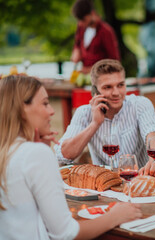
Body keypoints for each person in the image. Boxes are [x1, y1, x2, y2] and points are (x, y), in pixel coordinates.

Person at [0, 75, 142, 239]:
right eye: (45, 103)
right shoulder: (35, 154)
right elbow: (66, 234)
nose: (51, 111)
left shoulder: (10, 152)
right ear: (22, 109)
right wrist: (116, 216)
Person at [54, 59, 155, 176]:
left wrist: (154, 160)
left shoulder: (140, 104)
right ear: (95, 91)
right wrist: (94, 124)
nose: (116, 92)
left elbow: (152, 133)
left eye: (120, 85)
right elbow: (63, 156)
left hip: (139, 180)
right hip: (104, 185)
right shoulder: (84, 113)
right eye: (108, 87)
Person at [71, 0, 120, 74]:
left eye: (83, 19)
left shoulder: (106, 31)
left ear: (92, 13)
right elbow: (77, 44)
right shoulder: (81, 28)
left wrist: (92, 69)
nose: (80, 23)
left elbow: (114, 62)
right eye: (79, 20)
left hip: (101, 78)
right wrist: (76, 50)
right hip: (84, 78)